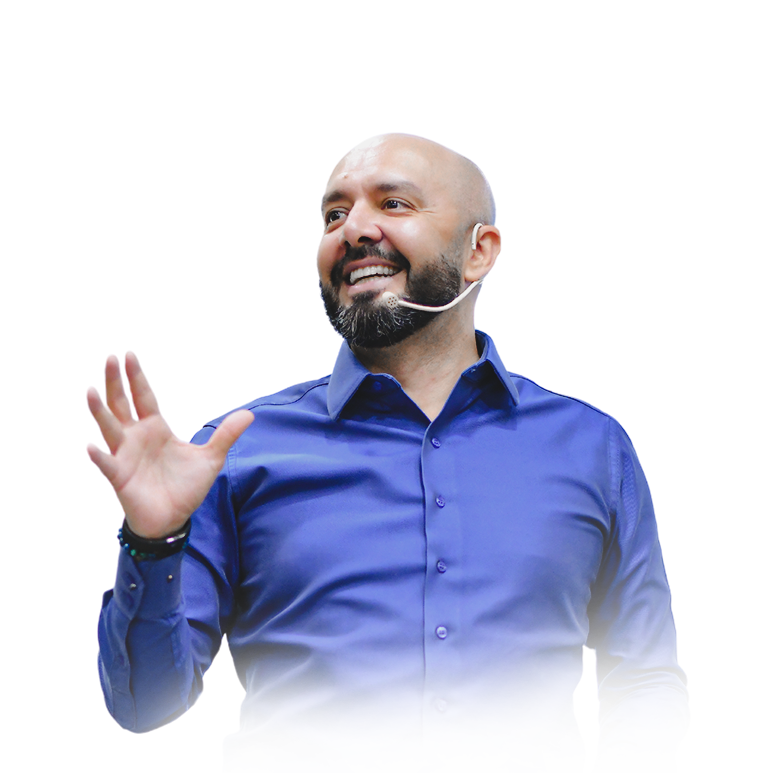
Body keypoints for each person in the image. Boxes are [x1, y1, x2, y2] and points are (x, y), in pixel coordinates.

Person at [88, 134, 690, 773]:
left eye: (393, 204)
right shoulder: (237, 452)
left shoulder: (592, 450)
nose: (353, 230)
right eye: (334, 214)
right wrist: (152, 544)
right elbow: (143, 706)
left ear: (479, 251)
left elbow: (648, 680)